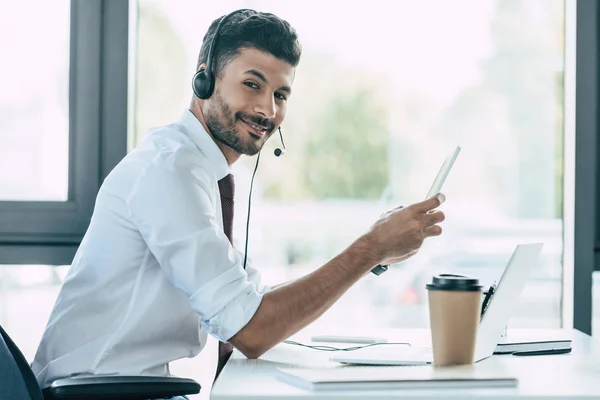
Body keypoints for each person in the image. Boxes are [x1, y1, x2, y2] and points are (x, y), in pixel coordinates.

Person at [31, 8, 446, 396]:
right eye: (252, 84)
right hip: (91, 394)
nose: (267, 109)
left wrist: (373, 253)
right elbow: (250, 331)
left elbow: (250, 305)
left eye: (281, 95)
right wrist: (370, 247)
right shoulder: (169, 171)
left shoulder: (203, 173)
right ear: (204, 79)